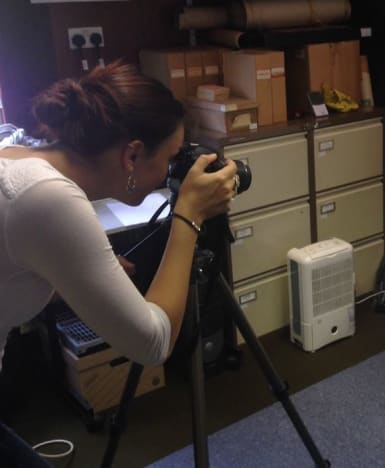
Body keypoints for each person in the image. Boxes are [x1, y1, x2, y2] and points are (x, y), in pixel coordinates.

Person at [0, 61, 238, 465]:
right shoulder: (47, 198)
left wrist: (80, 277)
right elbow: (153, 343)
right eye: (171, 158)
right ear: (132, 154)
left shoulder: (17, 153)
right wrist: (189, 215)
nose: (170, 173)